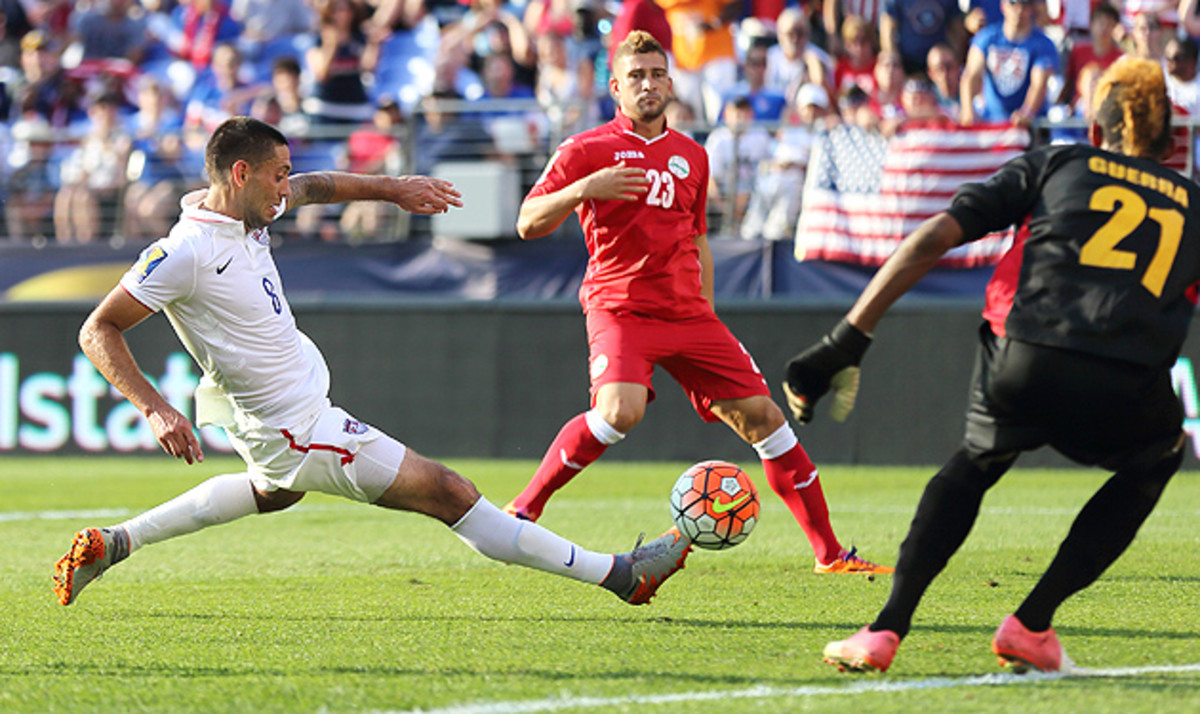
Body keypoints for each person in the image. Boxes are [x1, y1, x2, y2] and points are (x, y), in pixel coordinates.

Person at [52, 116, 692, 610]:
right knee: (449, 492)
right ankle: (621, 575)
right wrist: (155, 408)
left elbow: (317, 185)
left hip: (277, 420)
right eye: (276, 174)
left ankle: (115, 543)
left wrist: (395, 189)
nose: (286, 185)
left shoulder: (249, 208)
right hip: (296, 428)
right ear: (240, 173)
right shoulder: (185, 252)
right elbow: (97, 329)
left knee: (271, 494)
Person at [786, 56, 1196, 674]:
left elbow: (933, 238)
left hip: (1025, 359)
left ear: (1093, 129)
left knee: (975, 464)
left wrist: (845, 341)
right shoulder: (1192, 204)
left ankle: (885, 629)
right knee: (1158, 455)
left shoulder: (1057, 162)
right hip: (1126, 380)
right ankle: (1032, 623)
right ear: (1169, 139)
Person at [504, 31, 891, 576]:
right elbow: (527, 222)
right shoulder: (585, 150)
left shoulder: (692, 155)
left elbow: (699, 238)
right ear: (616, 88)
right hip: (622, 308)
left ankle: (831, 555)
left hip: (689, 316)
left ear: (670, 82)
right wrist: (586, 187)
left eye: (657, 74)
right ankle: (523, 510)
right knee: (619, 412)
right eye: (635, 77)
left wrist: (706, 311)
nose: (648, 84)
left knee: (768, 420)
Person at [959, 0, 1059, 128]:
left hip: (1030, 128)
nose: (1019, 10)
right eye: (1013, 3)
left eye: (1025, 4)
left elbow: (1039, 84)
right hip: (992, 123)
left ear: (1032, 8)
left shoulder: (1043, 44)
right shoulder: (986, 38)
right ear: (1003, 5)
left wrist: (1026, 113)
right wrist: (968, 110)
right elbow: (971, 75)